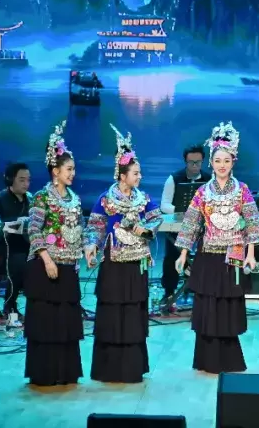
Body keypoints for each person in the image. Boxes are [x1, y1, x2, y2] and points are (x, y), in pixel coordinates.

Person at [174, 122, 259, 374]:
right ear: (211, 162)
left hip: (233, 257)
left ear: (233, 162)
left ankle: (229, 359)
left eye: (227, 161)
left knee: (229, 308)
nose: (222, 165)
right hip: (208, 256)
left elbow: (253, 223)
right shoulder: (202, 192)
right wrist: (183, 253)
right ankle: (206, 358)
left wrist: (251, 254)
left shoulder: (242, 190)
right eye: (218, 160)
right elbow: (191, 223)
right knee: (208, 307)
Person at [83, 125, 163, 383]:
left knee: (133, 312)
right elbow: (95, 227)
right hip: (114, 264)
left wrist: (146, 228)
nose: (140, 177)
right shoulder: (106, 199)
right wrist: (91, 247)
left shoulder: (143, 199)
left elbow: (156, 218)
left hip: (137, 264)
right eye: (136, 173)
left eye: (139, 173)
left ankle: (132, 366)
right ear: (122, 175)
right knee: (112, 311)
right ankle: (109, 367)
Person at [25, 120, 85, 387]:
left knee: (66, 321)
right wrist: (47, 259)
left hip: (69, 266)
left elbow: (80, 229)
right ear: (55, 171)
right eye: (69, 169)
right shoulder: (42, 197)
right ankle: (45, 373)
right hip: (46, 267)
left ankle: (66, 372)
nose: (73, 173)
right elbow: (33, 229)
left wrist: (87, 250)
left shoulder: (75, 199)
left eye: (73, 169)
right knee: (47, 321)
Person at [160, 144, 210, 311]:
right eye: (191, 162)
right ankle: (169, 292)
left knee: (206, 254)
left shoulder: (209, 179)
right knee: (172, 255)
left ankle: (200, 289)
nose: (194, 166)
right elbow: (164, 205)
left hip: (202, 226)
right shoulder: (174, 178)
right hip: (178, 225)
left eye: (198, 162)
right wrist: (184, 211)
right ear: (185, 161)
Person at [0, 162, 32, 327]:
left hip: (26, 248)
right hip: (0, 253)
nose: (26, 184)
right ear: (10, 179)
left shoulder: (31, 199)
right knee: (20, 262)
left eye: (28, 180)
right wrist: (15, 224)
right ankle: (10, 306)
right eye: (21, 180)